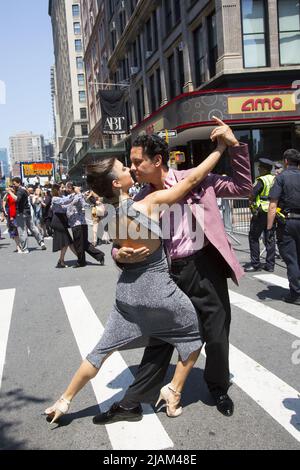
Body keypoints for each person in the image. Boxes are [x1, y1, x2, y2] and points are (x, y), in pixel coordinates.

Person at [44, 122, 228, 425]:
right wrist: (220, 148)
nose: (131, 169)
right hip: (159, 289)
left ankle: (64, 401)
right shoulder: (148, 204)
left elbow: (118, 248)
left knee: (100, 350)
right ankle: (173, 391)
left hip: (126, 294)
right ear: (117, 183)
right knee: (194, 336)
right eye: (124, 168)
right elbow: (193, 179)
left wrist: (121, 254)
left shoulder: (106, 215)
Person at [93, 118, 252, 425]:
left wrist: (235, 146)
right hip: (164, 273)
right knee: (161, 339)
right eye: (131, 163)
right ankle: (133, 401)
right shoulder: (139, 198)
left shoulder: (196, 178)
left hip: (203, 266)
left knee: (216, 332)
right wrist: (118, 253)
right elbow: (117, 237)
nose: (133, 168)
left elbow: (243, 186)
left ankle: (218, 388)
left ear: (157, 161)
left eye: (138, 162)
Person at [267, 149, 300, 305]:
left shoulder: (281, 178)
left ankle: (296, 294)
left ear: (286, 161)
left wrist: (268, 228)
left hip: (288, 223)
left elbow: (273, 205)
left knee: (292, 259)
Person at [54, 183, 105, 267]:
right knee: (84, 244)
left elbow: (85, 205)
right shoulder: (71, 196)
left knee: (78, 244)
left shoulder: (78, 196)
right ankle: (99, 255)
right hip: (77, 223)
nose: (64, 189)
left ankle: (81, 262)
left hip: (78, 223)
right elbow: (64, 202)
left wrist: (79, 194)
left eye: (66, 188)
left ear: (70, 188)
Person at [245, 158, 276, 273]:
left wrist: (251, 204)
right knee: (270, 237)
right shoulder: (275, 179)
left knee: (253, 237)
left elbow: (252, 195)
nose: (258, 169)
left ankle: (255, 264)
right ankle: (270, 265)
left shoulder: (261, 180)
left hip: (261, 212)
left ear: (264, 169)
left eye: (260, 167)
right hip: (273, 212)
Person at [7, 178, 46, 253]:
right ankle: (41, 242)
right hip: (27, 212)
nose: (13, 185)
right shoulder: (23, 190)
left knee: (22, 231)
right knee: (33, 228)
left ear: (19, 183)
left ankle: (25, 248)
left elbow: (17, 199)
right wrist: (13, 191)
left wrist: (10, 192)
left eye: (14, 184)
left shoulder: (20, 191)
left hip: (21, 213)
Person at [51, 184, 78, 268]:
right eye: (61, 188)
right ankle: (62, 261)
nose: (63, 189)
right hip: (58, 221)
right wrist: (74, 194)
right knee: (66, 242)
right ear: (57, 190)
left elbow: (66, 205)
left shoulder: (61, 196)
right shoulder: (55, 198)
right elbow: (64, 201)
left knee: (69, 242)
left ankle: (78, 258)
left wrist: (75, 198)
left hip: (62, 220)